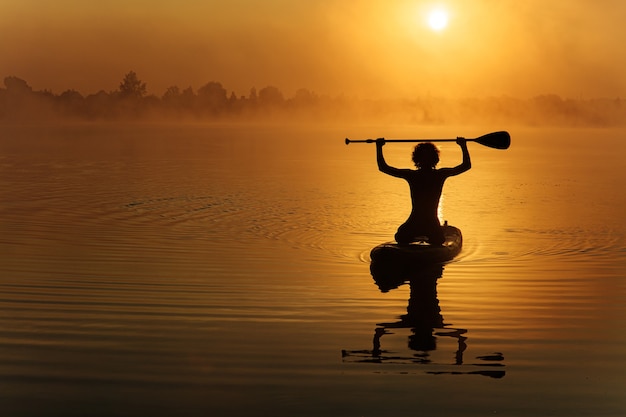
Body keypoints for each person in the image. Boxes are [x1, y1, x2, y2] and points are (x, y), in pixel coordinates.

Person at [376, 137, 471, 245]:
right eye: (424, 156)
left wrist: (379, 147)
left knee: (437, 240)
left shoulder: (430, 175)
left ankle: (425, 237)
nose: (426, 159)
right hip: (416, 222)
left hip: (429, 223)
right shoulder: (431, 175)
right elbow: (383, 168)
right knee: (400, 237)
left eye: (428, 156)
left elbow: (466, 166)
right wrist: (463, 145)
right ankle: (425, 237)